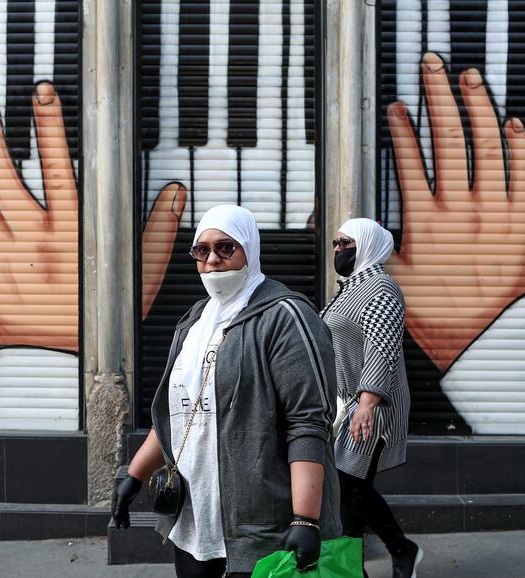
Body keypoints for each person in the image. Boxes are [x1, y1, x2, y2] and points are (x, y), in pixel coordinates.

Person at [112, 205, 341, 577]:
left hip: (262, 529)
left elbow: (308, 423)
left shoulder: (286, 317)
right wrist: (133, 477)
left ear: (250, 248)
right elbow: (177, 414)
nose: (213, 259)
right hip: (193, 521)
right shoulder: (194, 322)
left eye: (225, 248)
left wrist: (306, 519)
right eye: (202, 251)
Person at [322, 218, 422, 578]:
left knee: (348, 485)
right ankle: (352, 569)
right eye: (336, 243)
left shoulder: (380, 288)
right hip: (346, 405)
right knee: (347, 490)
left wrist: (367, 403)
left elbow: (383, 348)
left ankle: (402, 548)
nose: (338, 250)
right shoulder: (351, 287)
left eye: (346, 243)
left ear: (366, 244)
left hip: (371, 406)